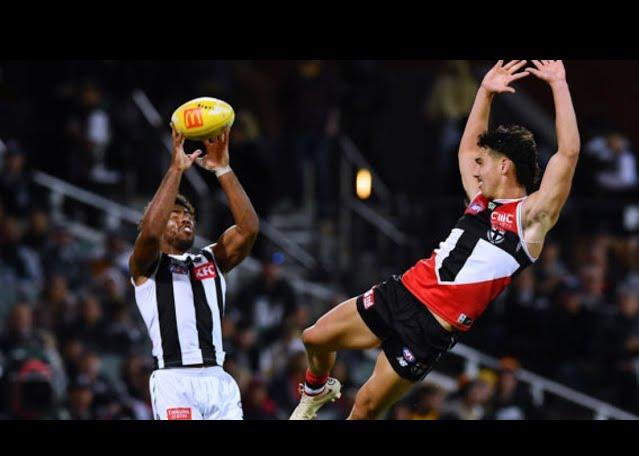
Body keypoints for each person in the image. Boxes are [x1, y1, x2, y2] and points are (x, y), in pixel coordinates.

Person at [290, 60, 580, 420]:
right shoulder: (479, 199)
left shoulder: (529, 219)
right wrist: (485, 92)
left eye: (484, 162)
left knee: (364, 409)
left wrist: (559, 85)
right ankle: (317, 389)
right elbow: (465, 149)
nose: (476, 167)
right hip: (402, 293)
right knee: (315, 337)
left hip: (429, 331)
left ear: (504, 167)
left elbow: (567, 156)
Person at [129, 126, 259, 420]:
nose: (185, 217)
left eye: (188, 214)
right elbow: (150, 232)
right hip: (174, 378)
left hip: (218, 378)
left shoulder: (211, 259)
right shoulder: (146, 264)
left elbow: (249, 229)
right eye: (175, 214)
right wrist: (176, 169)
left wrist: (223, 169)